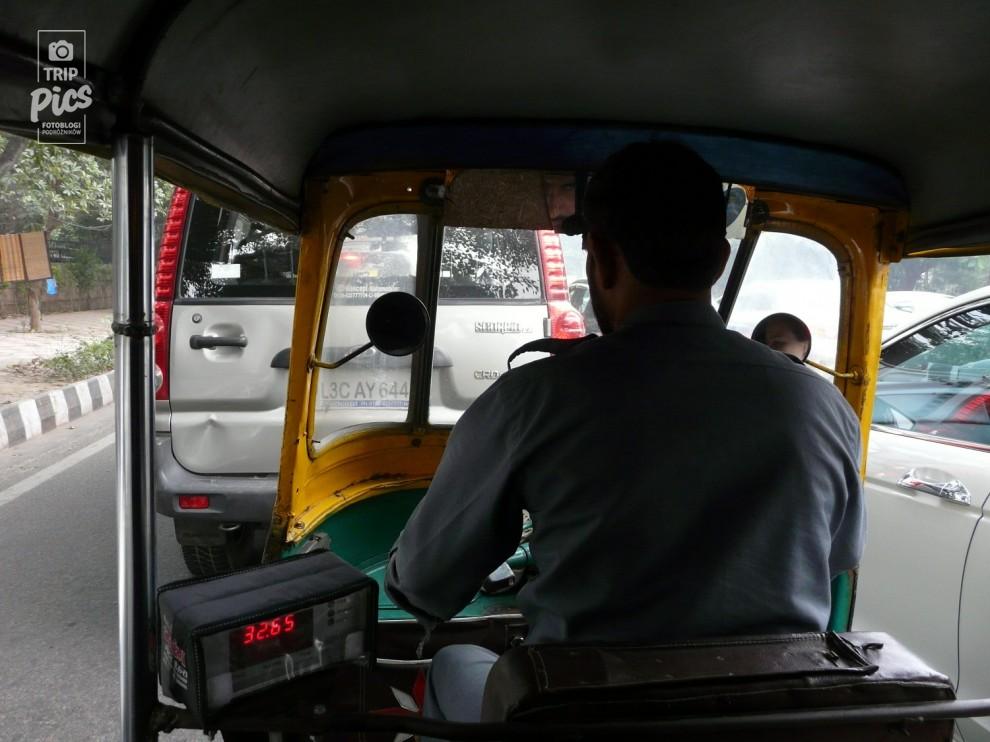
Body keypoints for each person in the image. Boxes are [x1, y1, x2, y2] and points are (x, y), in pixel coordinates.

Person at [385, 141, 865, 726]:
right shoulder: (822, 403)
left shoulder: (535, 397)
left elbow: (420, 583)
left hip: (584, 717)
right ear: (719, 261)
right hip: (767, 719)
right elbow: (837, 557)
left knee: (454, 661)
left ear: (603, 259)